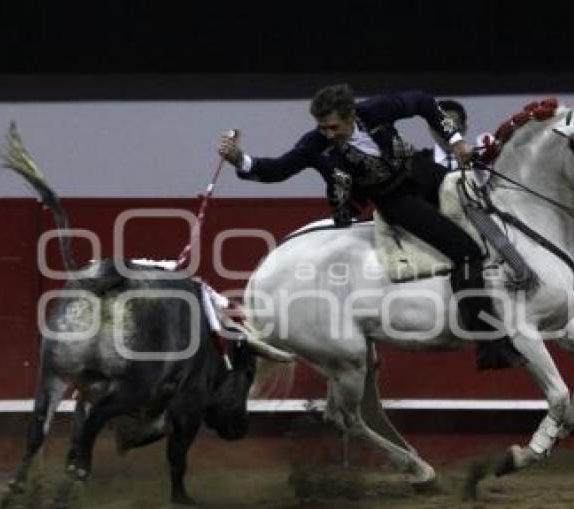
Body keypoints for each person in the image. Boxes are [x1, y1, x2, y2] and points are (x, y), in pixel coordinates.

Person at [218, 83, 521, 370]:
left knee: (485, 207)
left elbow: (423, 101)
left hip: (422, 172)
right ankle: (489, 340)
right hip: (396, 200)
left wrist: (456, 142)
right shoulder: (315, 144)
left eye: (334, 127)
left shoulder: (375, 110)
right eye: (323, 128)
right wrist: (240, 160)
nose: (328, 134)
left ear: (352, 115)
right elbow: (278, 169)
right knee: (465, 250)